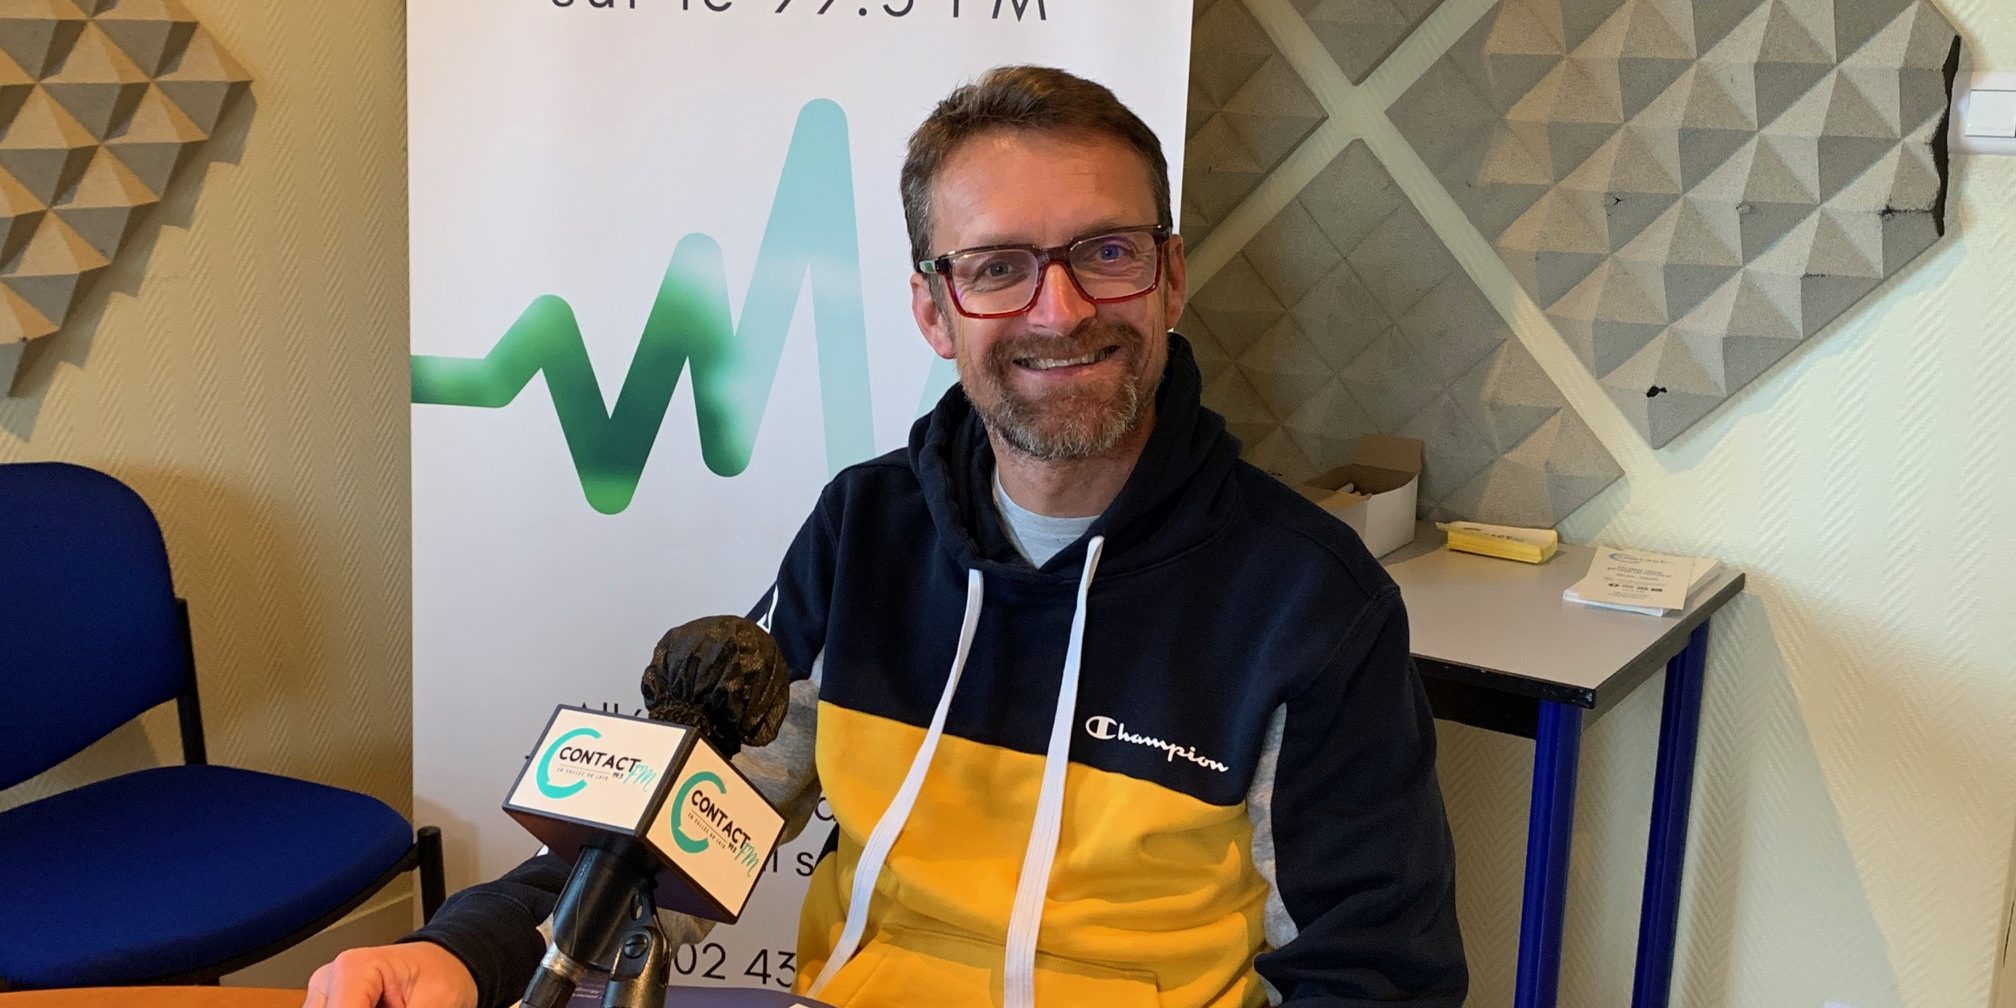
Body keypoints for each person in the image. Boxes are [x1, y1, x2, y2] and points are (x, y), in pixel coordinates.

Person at [307, 65, 1466, 1008]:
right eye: (998, 268)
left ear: (1167, 280)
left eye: (1107, 253)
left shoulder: (1309, 602)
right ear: (933, 310)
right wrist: (463, 951)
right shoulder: (865, 531)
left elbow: (1376, 978)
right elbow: (684, 823)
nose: (1061, 309)